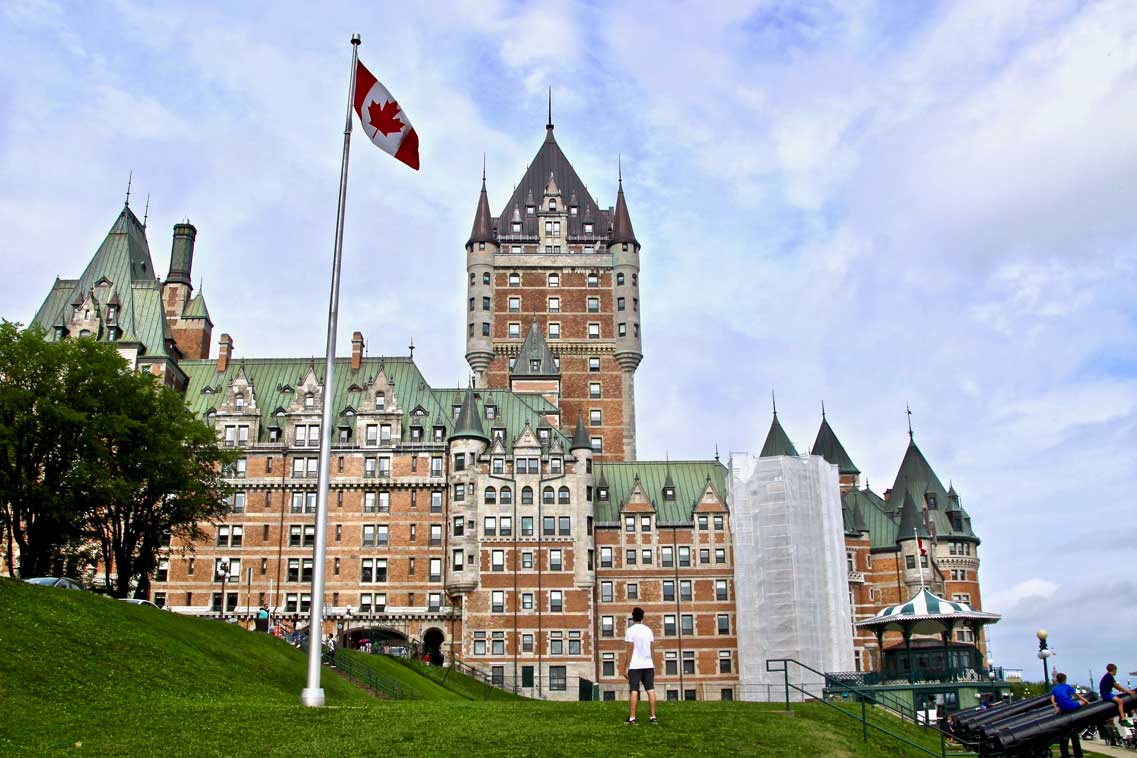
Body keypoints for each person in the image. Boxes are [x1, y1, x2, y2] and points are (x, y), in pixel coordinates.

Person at [623, 607, 657, 725]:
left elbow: (629, 650)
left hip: (634, 665)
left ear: (633, 617)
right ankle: (653, 717)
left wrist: (625, 667)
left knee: (634, 691)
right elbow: (652, 649)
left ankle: (632, 718)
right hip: (648, 665)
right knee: (651, 690)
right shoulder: (648, 631)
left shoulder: (630, 631)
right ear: (642, 617)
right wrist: (653, 664)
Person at [1052, 673, 1090, 758]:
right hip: (1070, 706)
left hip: (1062, 708)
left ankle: (1064, 754)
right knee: (1082, 702)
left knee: (1064, 737)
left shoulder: (1055, 689)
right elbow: (1077, 695)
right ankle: (1078, 755)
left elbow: (1052, 699)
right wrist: (1086, 701)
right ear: (1065, 679)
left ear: (1057, 680)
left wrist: (1056, 708)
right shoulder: (1067, 687)